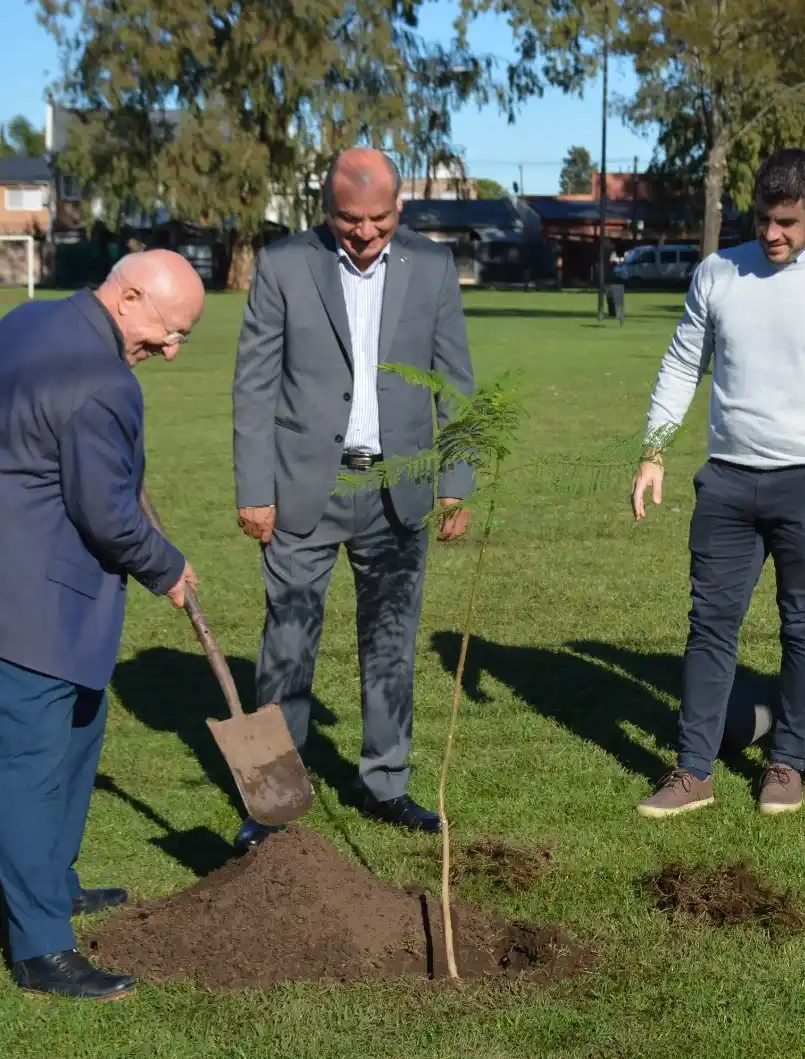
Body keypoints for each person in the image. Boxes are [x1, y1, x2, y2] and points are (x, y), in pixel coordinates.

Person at [630, 148, 805, 819]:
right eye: (762, 220)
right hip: (726, 481)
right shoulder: (719, 273)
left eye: (787, 221)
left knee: (803, 623)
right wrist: (653, 451)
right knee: (709, 624)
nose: (772, 234)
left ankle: (787, 762)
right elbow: (679, 366)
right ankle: (693, 770)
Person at [231, 148, 476, 850]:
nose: (364, 233)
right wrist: (254, 489)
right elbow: (253, 385)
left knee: (392, 642)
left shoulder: (431, 268)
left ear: (399, 208)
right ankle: (269, 802)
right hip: (301, 489)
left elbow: (454, 382)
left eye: (378, 219)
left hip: (397, 492)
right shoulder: (283, 265)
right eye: (348, 219)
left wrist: (455, 481)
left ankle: (386, 786)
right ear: (325, 207)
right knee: (286, 644)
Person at [0, 250, 204, 1000]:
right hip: (33, 599)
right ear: (126, 297)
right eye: (168, 329)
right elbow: (108, 515)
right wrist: (168, 566)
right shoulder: (104, 379)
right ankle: (40, 950)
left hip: (34, 584)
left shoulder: (29, 320)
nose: (171, 349)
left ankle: (48, 885)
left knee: (78, 735)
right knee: (28, 769)